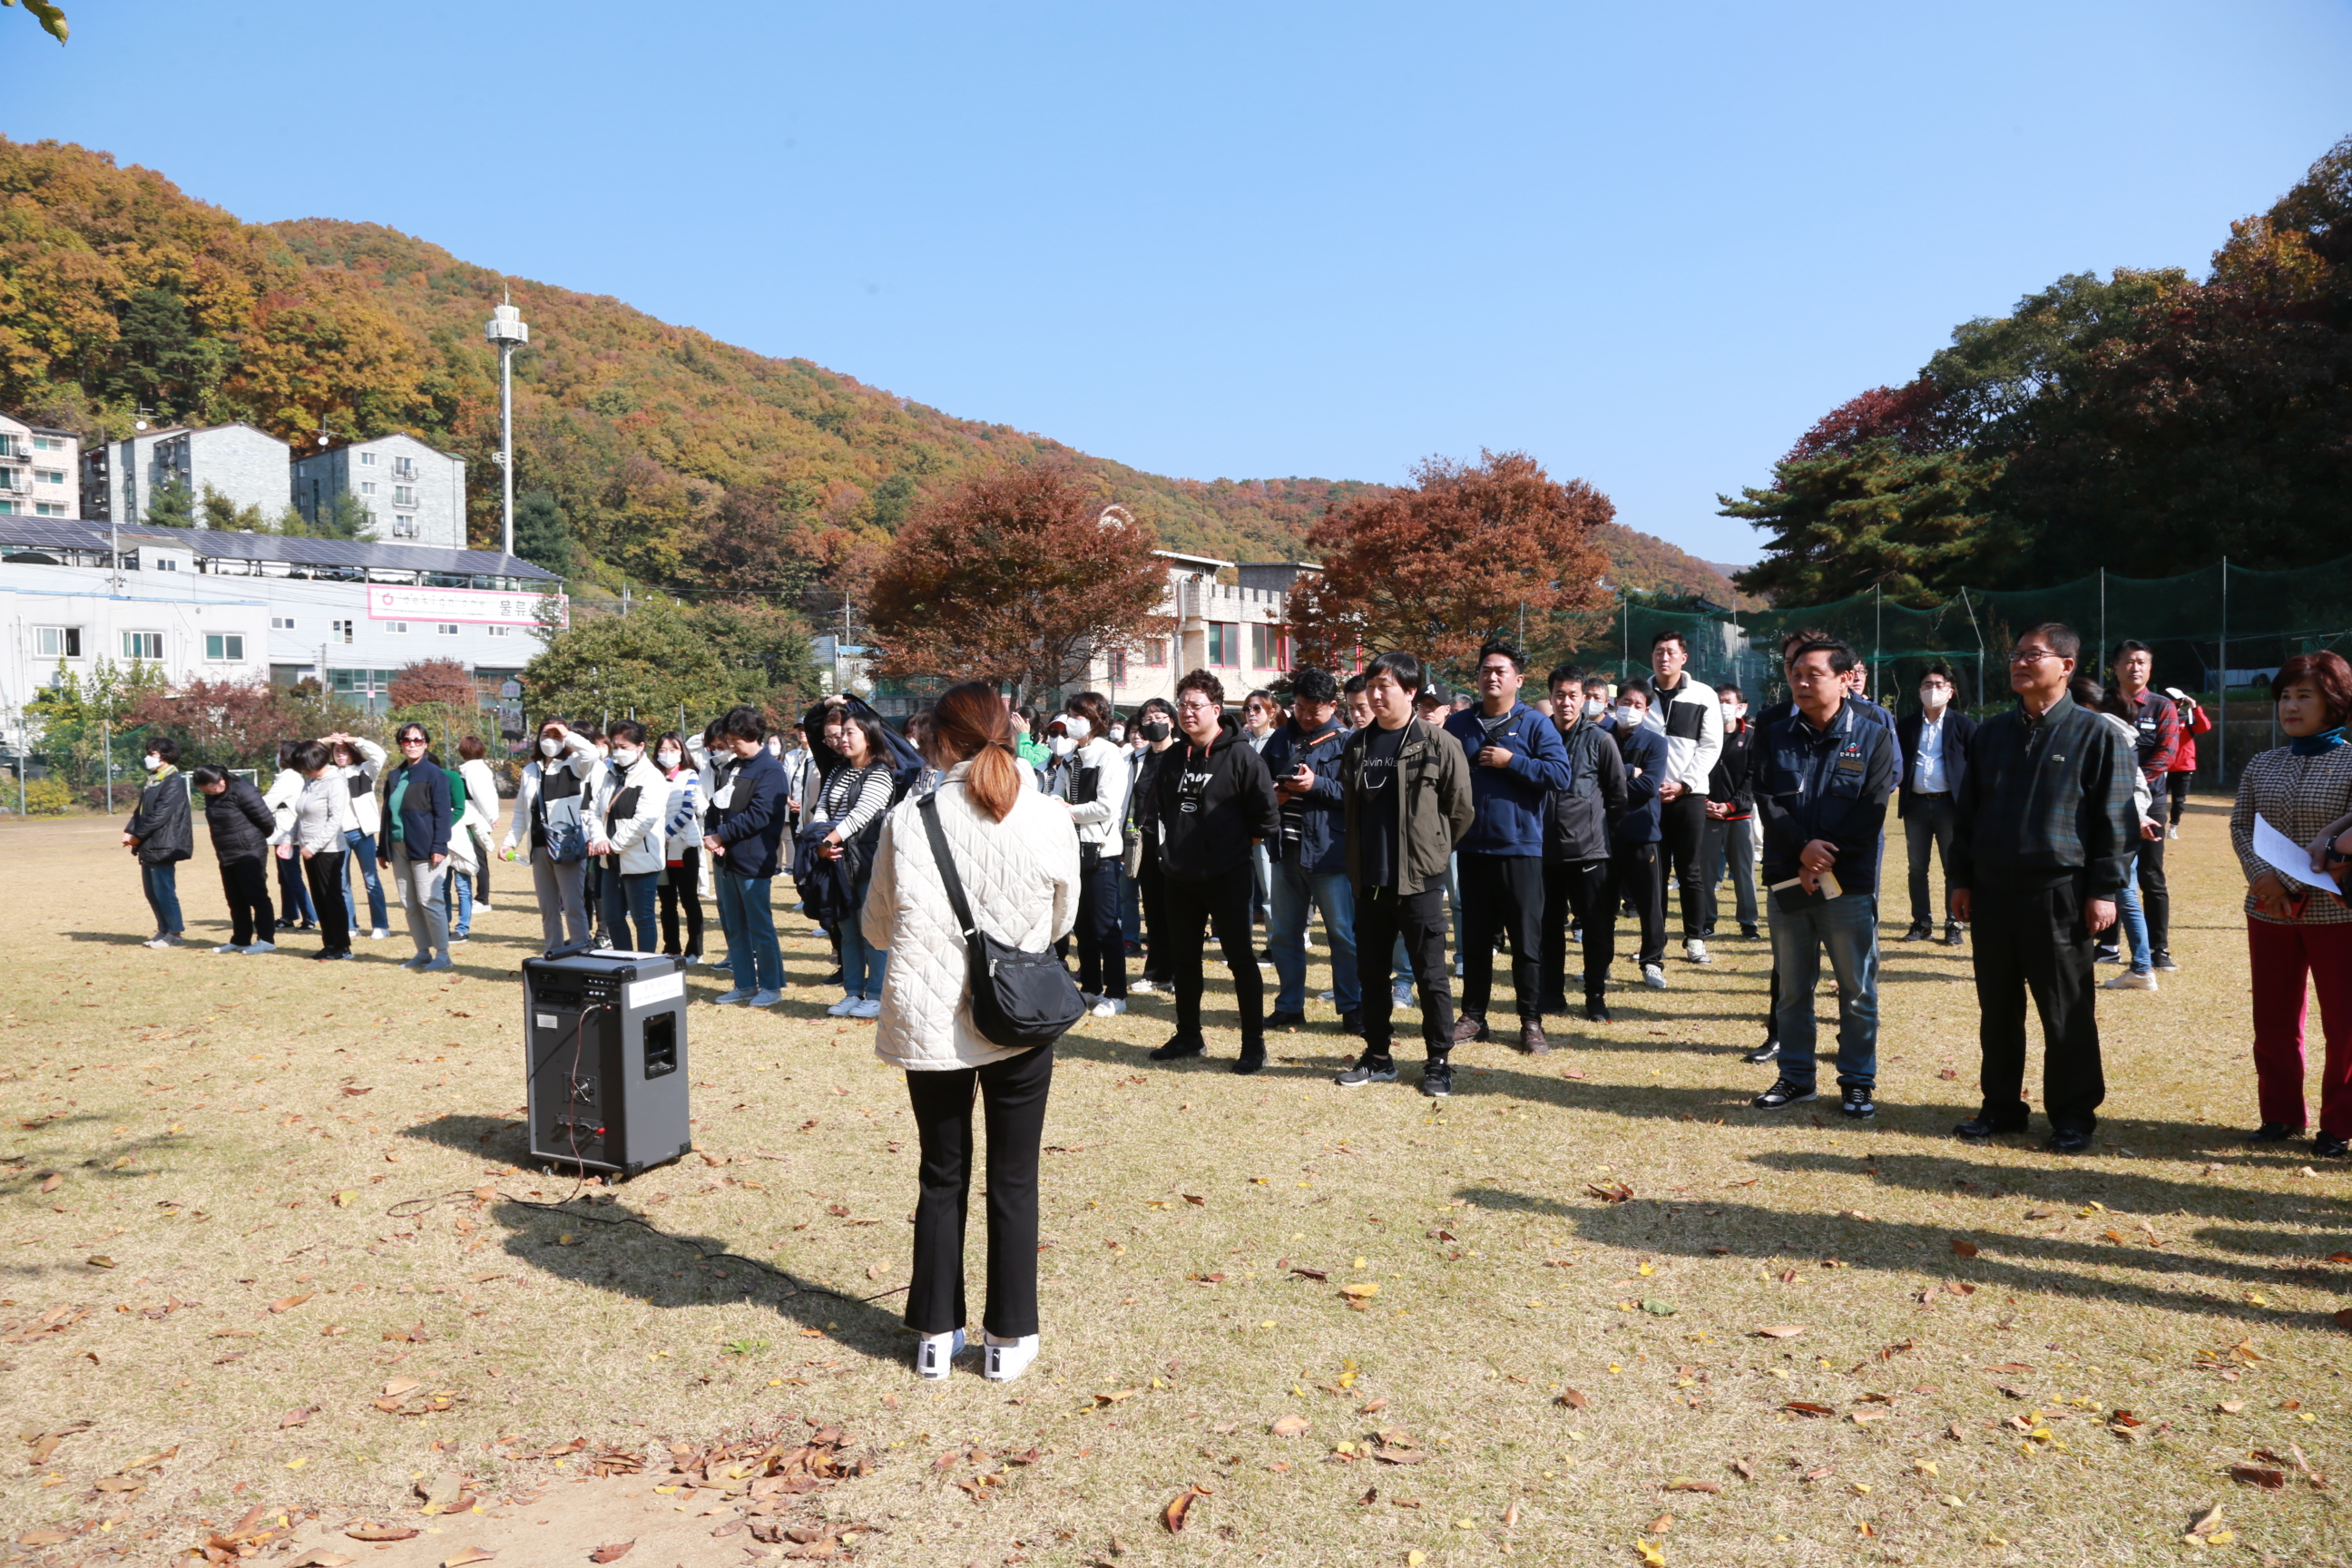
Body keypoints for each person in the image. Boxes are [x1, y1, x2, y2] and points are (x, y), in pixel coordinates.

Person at [863, 681, 1078, 1382]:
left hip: (931, 1019)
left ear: (940, 739)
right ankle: (1009, 1339)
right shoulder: (1046, 813)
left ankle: (935, 1334)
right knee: (1014, 1178)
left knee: (940, 1174)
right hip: (1018, 1015)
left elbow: (874, 926)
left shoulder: (909, 817)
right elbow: (1060, 921)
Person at [1949, 623, 2134, 1153]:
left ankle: (2073, 1115)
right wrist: (1961, 880)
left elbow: (2114, 825)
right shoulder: (1990, 734)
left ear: (2067, 667)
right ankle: (2001, 1107)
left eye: (2034, 655)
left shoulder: (2097, 734)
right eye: (2016, 655)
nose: (2020, 663)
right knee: (1998, 1008)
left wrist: (2103, 891)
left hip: (2059, 894)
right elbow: (1968, 817)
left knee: (2065, 1009)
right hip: (1991, 892)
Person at [1749, 639, 1897, 1117]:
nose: (1802, 681)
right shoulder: (1774, 732)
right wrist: (1801, 851)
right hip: (1788, 877)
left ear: (1844, 678)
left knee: (1856, 990)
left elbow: (1872, 808)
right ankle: (1795, 1078)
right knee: (1793, 989)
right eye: (1795, 673)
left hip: (1847, 882)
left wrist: (1823, 856)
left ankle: (1857, 1081)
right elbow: (1768, 799)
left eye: (1813, 673)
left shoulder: (1873, 734)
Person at [1335, 652, 1475, 1094]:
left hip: (1419, 881)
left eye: (1385, 686)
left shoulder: (1438, 742)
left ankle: (1437, 1061)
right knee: (1372, 975)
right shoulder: (1356, 744)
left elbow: (1461, 810)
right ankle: (1378, 1056)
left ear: (1411, 692)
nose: (1375, 695)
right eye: (1371, 686)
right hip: (1369, 880)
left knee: (1431, 975)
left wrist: (1430, 852)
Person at [2230, 651, 2352, 1152]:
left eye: (2306, 696)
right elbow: (2241, 826)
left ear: (2336, 704)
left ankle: (2340, 1125)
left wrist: (2305, 879)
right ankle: (2279, 1115)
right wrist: (2265, 880)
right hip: (2269, 910)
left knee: (2345, 1024)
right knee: (2274, 1020)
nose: (2291, 706)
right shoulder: (2263, 763)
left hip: (2337, 913)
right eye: (2285, 695)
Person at [1442, 640, 1573, 1054]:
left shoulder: (1536, 723)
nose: (1492, 676)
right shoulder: (1458, 724)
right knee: (1476, 940)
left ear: (1518, 679)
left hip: (1520, 849)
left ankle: (1531, 1021)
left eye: (1501, 670)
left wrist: (1511, 762)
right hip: (1472, 848)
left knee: (1526, 942)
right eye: (1485, 669)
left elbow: (1560, 774)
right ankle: (1473, 1017)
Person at [1147, 669, 1280, 1072]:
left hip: (1227, 876)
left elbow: (1266, 818)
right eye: (1182, 705)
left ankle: (1253, 1044)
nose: (1187, 712)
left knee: (1240, 959)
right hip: (1180, 876)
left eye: (1196, 705)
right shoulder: (1172, 756)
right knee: (1184, 959)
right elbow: (1166, 809)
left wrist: (1230, 849)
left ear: (1216, 710)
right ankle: (1189, 1034)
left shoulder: (1241, 755)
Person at [1261, 667, 1358, 1033]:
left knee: (1343, 935)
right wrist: (1272, 794)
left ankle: (1352, 1007)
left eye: (1313, 709)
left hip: (1331, 855)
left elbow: (1357, 797)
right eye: (1299, 707)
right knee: (1284, 934)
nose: (1304, 715)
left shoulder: (1348, 742)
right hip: (1285, 851)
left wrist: (1316, 785)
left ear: (1332, 706)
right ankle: (1289, 1006)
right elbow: (1255, 785)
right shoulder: (1279, 740)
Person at [1540, 663, 1628, 1023]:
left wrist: (1598, 827)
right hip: (1544, 852)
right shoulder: (1537, 735)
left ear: (1583, 698)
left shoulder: (1600, 739)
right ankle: (1551, 993)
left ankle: (1595, 995)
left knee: (1595, 927)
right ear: (1550, 697)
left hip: (1589, 851)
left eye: (1573, 695)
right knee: (1547, 929)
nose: (1565, 702)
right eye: (1559, 694)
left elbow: (1618, 795)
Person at [809, 704, 898, 1017]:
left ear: (869, 736)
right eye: (841, 733)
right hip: (836, 862)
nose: (842, 740)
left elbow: (861, 815)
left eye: (850, 733)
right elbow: (822, 807)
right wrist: (818, 838)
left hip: (867, 861)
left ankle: (877, 994)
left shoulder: (881, 773)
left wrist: (827, 841)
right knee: (847, 930)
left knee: (873, 929)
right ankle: (852, 992)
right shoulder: (838, 770)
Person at [1645, 631, 1726, 967]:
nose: (1664, 657)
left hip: (1690, 796)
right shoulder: (1639, 694)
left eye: (1671, 652)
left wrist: (1684, 784)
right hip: (1647, 797)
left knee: (1690, 870)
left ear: (1684, 658)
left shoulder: (1703, 695)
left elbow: (1711, 746)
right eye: (1659, 651)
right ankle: (1654, 941)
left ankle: (1695, 939)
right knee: (1654, 873)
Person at [1052, 693, 1132, 1018]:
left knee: (1104, 925)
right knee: (1081, 924)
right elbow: (1055, 792)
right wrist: (1057, 804)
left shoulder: (1108, 754)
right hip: (1071, 849)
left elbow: (1107, 807)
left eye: (1078, 714)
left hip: (1101, 852)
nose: (1072, 721)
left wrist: (1069, 810)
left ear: (1096, 718)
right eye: (1070, 714)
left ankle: (1117, 993)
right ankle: (1091, 988)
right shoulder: (1072, 756)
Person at [704, 704, 789, 1006]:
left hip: (754, 858)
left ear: (751, 735)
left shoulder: (771, 769)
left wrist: (721, 835)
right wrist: (712, 833)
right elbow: (715, 806)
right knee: (733, 924)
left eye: (733, 739)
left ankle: (771, 985)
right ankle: (744, 983)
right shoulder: (730, 767)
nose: (729, 745)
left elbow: (761, 815)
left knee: (759, 924)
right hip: (725, 858)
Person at [2082, 678, 2165, 992]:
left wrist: (2134, 818)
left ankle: (2142, 967)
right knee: (2127, 895)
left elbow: (2127, 787)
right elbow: (2136, 785)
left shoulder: (2101, 729)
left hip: (2108, 832)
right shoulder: (2121, 730)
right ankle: (2141, 967)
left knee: (2125, 896)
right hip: (2121, 828)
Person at [2107, 642, 2180, 971]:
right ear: (2115, 667)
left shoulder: (2162, 706)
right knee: (2108, 870)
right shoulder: (2103, 704)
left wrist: (2129, 781)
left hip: (2151, 803)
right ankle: (2107, 944)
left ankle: (2158, 949)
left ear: (2149, 669)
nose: (2134, 668)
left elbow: (2166, 754)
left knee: (2151, 875)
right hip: (2106, 803)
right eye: (2127, 662)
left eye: (2141, 662)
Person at [1896, 664, 1978, 946]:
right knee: (1917, 868)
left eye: (1939, 685)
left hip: (1950, 807)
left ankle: (1954, 923)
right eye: (1927, 685)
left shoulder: (1965, 726)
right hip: (1915, 806)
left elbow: (1976, 768)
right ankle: (1921, 922)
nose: (1933, 690)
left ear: (1950, 692)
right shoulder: (1905, 725)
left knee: (1952, 867)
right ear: (1919, 691)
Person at [504, 720, 598, 954]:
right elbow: (520, 813)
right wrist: (509, 843)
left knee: (574, 903)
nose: (551, 740)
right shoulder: (530, 770)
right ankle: (553, 950)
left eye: (557, 736)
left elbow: (592, 754)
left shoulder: (575, 764)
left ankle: (580, 949)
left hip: (567, 845)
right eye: (546, 734)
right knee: (547, 907)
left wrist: (567, 734)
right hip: (539, 847)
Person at [1603, 680, 1671, 990]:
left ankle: (1652, 961)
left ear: (1646, 711)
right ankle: (1599, 962)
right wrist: (1630, 771)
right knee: (1601, 904)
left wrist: (1612, 783)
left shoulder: (1656, 743)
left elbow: (1648, 788)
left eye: (1637, 705)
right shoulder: (1600, 737)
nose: (1629, 709)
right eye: (1625, 702)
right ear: (1615, 704)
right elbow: (1588, 782)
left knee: (1649, 903)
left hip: (1643, 834)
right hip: (1603, 834)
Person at [378, 722, 456, 973]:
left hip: (426, 846)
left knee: (429, 900)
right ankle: (423, 952)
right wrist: (382, 848)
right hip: (398, 846)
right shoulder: (394, 775)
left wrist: (439, 845)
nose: (412, 744)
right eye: (407, 740)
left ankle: (443, 954)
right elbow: (387, 814)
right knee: (408, 902)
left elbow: (444, 813)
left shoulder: (435, 774)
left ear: (426, 743)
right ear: (400, 744)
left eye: (418, 740)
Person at [586, 719, 667, 953]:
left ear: (640, 747)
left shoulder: (652, 777)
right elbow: (594, 810)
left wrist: (613, 844)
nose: (618, 752)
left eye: (624, 747)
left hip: (640, 859)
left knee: (642, 918)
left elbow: (644, 820)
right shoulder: (609, 774)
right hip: (609, 860)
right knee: (613, 917)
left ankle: (645, 964)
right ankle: (623, 961)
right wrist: (600, 838)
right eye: (615, 746)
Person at [192, 762, 278, 952]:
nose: (209, 793)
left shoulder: (244, 791)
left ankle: (266, 939)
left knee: (257, 896)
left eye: (211, 788)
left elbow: (267, 822)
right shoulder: (211, 795)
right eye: (205, 790)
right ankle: (241, 939)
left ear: (221, 780)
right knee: (235, 898)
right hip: (226, 852)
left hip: (249, 852)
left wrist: (248, 840)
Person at [1125, 698, 1179, 992]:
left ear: (1172, 720)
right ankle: (1156, 972)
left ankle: (1179, 973)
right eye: (1147, 718)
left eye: (1159, 716)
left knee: (1179, 911)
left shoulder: (1184, 754)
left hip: (1176, 845)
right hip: (1145, 844)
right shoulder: (1136, 758)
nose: (1153, 722)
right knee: (1155, 911)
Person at [1700, 683, 1759, 942]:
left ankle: (1749, 923)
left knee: (1743, 873)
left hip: (1739, 817)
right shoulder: (1703, 735)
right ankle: (1706, 922)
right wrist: (1704, 802)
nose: (1722, 706)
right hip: (1707, 814)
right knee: (1705, 872)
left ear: (1741, 707)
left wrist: (1731, 805)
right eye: (1718, 701)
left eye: (1727, 700)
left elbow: (1754, 777)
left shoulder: (1753, 737)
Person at [122, 736, 192, 947]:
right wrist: (129, 830)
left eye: (152, 754)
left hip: (164, 843)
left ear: (165, 756)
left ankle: (175, 934)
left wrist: (138, 835)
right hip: (149, 843)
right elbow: (142, 810)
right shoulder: (153, 779)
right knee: (151, 891)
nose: (147, 757)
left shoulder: (173, 781)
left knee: (164, 890)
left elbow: (159, 815)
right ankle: (163, 930)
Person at [288, 740, 354, 961]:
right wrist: (292, 839)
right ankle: (329, 944)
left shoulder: (335, 782)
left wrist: (314, 846)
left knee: (331, 897)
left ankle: (342, 946)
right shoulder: (311, 781)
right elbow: (301, 814)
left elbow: (335, 820)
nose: (304, 770)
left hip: (328, 850)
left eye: (305, 765)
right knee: (319, 898)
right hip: (307, 848)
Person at [324, 733, 391, 939]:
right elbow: (308, 755)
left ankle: (381, 926)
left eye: (344, 751)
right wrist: (326, 740)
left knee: (371, 880)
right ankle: (350, 926)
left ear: (352, 752)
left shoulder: (365, 770)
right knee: (342, 883)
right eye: (336, 751)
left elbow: (379, 754)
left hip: (362, 833)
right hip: (337, 835)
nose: (340, 755)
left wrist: (355, 740)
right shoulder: (328, 773)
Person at [653, 730, 705, 962]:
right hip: (659, 849)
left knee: (688, 899)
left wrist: (665, 834)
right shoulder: (652, 777)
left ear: (681, 751)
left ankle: (695, 949)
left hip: (684, 846)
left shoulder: (690, 774)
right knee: (666, 902)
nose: (667, 754)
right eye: (663, 750)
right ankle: (671, 947)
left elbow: (687, 810)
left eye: (673, 749)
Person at [261, 740, 318, 935]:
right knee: (285, 877)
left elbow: (268, 803)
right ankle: (288, 916)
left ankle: (309, 916)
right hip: (283, 833)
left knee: (292, 876)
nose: (277, 756)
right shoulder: (291, 776)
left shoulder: (288, 777)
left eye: (280, 752)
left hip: (287, 833)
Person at [453, 735, 502, 932]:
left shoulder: (473, 769)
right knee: (479, 859)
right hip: (477, 818)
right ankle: (481, 897)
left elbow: (483, 796)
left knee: (479, 859)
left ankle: (482, 899)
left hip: (475, 820)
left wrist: (490, 818)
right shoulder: (477, 767)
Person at [2166, 687, 2211, 836]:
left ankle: (2173, 828)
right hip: (2162, 766)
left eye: (2179, 702)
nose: (2177, 705)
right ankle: (2154, 826)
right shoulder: (2160, 718)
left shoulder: (2187, 719)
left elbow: (2205, 727)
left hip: (2183, 767)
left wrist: (2194, 707)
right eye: (2174, 702)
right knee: (2155, 799)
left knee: (2178, 801)